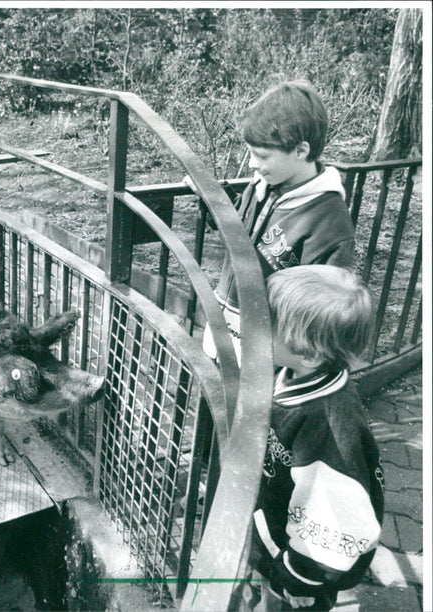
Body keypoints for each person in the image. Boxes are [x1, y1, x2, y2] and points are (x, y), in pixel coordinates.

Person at [240, 265, 384, 611]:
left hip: (301, 570)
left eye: (269, 322)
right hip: (278, 540)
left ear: (307, 351)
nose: (257, 325)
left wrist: (300, 576)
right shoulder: (294, 374)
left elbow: (336, 514)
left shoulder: (328, 425)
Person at [188, 80, 356, 362]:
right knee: (214, 403)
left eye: (261, 155)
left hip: (268, 356)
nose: (252, 164)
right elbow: (240, 230)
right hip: (226, 333)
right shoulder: (262, 186)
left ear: (301, 151)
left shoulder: (330, 224)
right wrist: (213, 198)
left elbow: (324, 311)